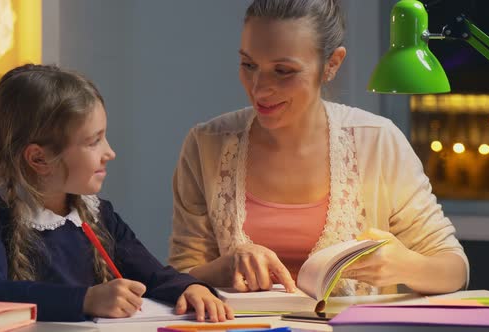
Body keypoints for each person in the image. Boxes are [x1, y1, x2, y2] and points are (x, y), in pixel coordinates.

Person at [169, 0, 469, 297]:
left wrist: (404, 266)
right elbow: (180, 275)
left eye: (283, 71)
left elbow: (454, 270)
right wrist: (224, 268)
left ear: (332, 65)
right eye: (249, 65)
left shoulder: (377, 142)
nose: (259, 88)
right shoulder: (206, 144)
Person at [0, 64, 233, 322]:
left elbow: (154, 274)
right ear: (39, 159)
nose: (110, 152)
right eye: (94, 141)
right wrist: (86, 299)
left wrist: (191, 287)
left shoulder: (100, 214)